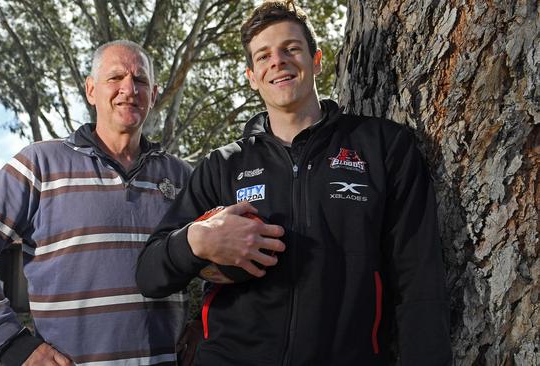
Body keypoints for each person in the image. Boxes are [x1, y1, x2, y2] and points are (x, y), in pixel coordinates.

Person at [136, 1, 452, 365]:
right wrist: (199, 239)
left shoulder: (382, 148)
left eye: (291, 49)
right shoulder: (223, 165)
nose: (278, 61)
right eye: (264, 55)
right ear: (252, 77)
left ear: (316, 60)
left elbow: (420, 281)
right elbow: (149, 275)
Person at [0, 40, 192, 366]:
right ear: (91, 91)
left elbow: (216, 263)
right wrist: (12, 344)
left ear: (154, 95)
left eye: (140, 80)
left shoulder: (183, 176)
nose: (129, 88)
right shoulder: (40, 164)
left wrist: (206, 326)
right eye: (115, 78)